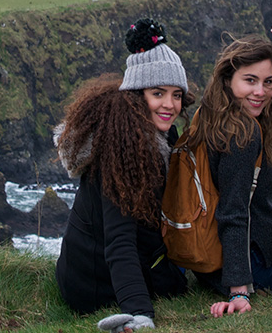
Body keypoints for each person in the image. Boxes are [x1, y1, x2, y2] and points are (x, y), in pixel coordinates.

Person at [54, 19, 193, 332]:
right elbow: (119, 242)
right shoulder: (118, 152)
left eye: (176, 94)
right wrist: (140, 314)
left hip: (97, 272)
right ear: (135, 95)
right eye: (158, 93)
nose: (170, 105)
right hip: (92, 287)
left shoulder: (158, 135)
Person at [174, 27, 272, 318]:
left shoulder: (211, 113)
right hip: (249, 268)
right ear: (228, 79)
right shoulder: (243, 135)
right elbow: (233, 211)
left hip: (208, 259)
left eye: (268, 83)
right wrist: (239, 289)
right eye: (250, 81)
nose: (260, 92)